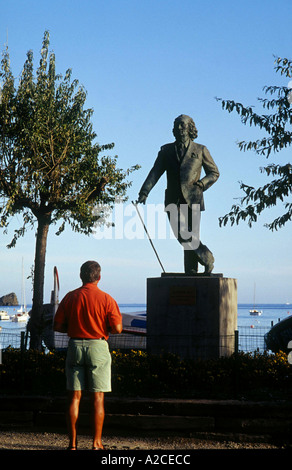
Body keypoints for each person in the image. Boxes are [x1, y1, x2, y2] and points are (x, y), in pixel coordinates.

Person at [53, 260, 122, 450]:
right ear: (99, 277)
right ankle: (96, 443)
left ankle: (72, 443)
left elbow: (57, 326)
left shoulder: (70, 297)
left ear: (81, 276)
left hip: (75, 345)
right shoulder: (107, 299)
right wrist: (102, 327)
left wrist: (74, 327)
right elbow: (117, 328)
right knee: (98, 398)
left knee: (74, 397)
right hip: (98, 346)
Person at [137, 114, 219, 274]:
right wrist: (145, 191)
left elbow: (214, 172)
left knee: (191, 236)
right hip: (173, 199)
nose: (178, 128)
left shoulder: (200, 149)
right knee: (181, 234)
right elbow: (155, 172)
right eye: (176, 125)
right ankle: (207, 257)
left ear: (190, 128)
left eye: (182, 125)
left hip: (194, 198)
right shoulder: (166, 150)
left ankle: (191, 271)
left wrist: (202, 184)